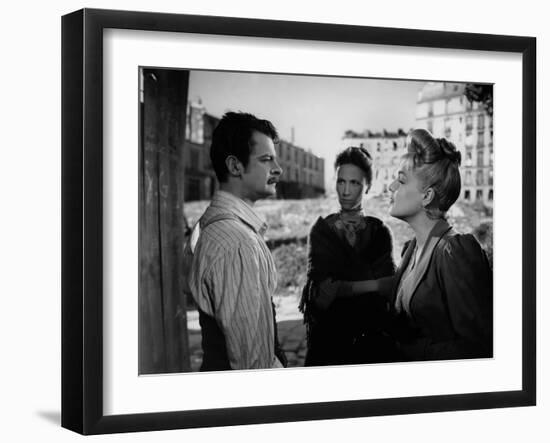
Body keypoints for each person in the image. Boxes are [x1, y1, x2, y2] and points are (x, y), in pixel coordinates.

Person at [321, 129, 493, 361]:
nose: (391, 187)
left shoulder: (454, 252)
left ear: (427, 196)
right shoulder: (412, 249)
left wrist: (403, 350)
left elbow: (479, 349)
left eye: (401, 180)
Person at [188, 111, 287, 371]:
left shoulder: (213, 225)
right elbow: (252, 367)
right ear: (235, 166)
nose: (278, 169)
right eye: (266, 159)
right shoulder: (237, 242)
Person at [299, 146, 397, 366]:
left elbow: (388, 293)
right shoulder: (322, 229)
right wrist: (374, 285)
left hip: (370, 343)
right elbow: (323, 291)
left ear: (368, 186)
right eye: (341, 181)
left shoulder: (379, 231)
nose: (345, 190)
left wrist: (350, 285)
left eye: (354, 183)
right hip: (328, 342)